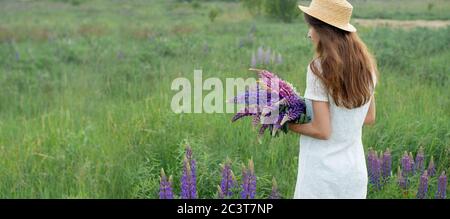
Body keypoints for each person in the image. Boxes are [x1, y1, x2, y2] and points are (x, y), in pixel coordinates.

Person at [288, 0, 379, 198]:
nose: (309, 33)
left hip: (322, 177)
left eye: (311, 27)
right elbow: (369, 117)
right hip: (353, 174)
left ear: (323, 30)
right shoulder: (367, 68)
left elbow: (322, 130)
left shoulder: (319, 69)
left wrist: (287, 124)